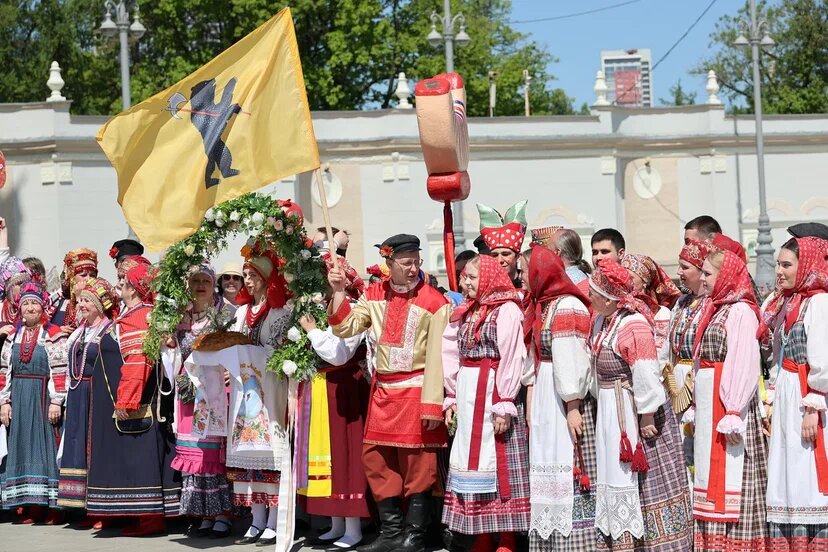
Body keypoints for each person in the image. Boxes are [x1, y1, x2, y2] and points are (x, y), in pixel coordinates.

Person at [327, 234, 451, 552]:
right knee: (376, 461)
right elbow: (345, 327)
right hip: (383, 393)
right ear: (389, 262)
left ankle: (415, 535)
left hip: (417, 391)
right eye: (406, 263)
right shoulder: (373, 295)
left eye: (417, 262)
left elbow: (438, 357)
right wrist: (338, 291)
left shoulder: (434, 301)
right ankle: (392, 532)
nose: (413, 268)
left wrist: (433, 404)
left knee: (418, 466)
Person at [588, 259, 691, 551]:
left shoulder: (632, 324)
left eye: (594, 292)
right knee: (614, 476)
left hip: (633, 412)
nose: (589, 296)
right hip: (611, 408)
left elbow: (646, 372)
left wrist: (646, 415)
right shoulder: (603, 320)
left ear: (609, 299)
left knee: (641, 479)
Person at [440, 255, 529, 552]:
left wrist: (504, 400)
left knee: (499, 461)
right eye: (464, 277)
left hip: (493, 391)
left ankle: (507, 537)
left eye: (472, 277)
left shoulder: (507, 310)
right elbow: (450, 352)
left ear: (489, 278)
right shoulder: (466, 310)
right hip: (468, 393)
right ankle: (480, 535)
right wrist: (452, 394)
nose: (465, 283)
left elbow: (512, 355)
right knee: (471, 463)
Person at [84, 271, 180, 535]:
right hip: (133, 397)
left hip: (138, 399)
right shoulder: (133, 314)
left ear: (134, 289)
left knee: (141, 455)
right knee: (135, 454)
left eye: (123, 282)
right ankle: (138, 515)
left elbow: (139, 362)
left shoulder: (139, 317)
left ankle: (149, 518)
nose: (119, 285)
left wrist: (126, 400)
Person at [691, 249, 768, 550]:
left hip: (729, 407)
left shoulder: (740, 312)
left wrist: (733, 409)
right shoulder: (716, 308)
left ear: (724, 276)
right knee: (708, 476)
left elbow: (743, 361)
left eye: (708, 273)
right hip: (711, 405)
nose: (703, 279)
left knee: (733, 475)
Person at [523, 247, 596, 552]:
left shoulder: (567, 306)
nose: (521, 277)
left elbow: (571, 360)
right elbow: (532, 357)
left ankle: (575, 543)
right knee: (546, 459)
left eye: (525, 271)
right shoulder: (542, 305)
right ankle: (548, 540)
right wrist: (531, 398)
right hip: (545, 393)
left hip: (563, 399)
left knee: (566, 457)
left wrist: (573, 405)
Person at [760, 237, 828, 550]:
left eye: (786, 265)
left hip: (808, 397)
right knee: (787, 469)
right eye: (778, 264)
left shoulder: (819, 303)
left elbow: (822, 360)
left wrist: (814, 406)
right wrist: (773, 396)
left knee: (806, 471)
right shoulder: (788, 303)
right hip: (789, 395)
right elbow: (777, 354)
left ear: (806, 266)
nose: (779, 271)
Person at [298, 254, 369, 550]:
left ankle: (354, 527)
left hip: (345, 388)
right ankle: (336, 521)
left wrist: (312, 331)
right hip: (323, 386)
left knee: (345, 454)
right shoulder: (321, 306)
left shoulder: (352, 309)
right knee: (327, 455)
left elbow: (339, 354)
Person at [229, 246, 292, 546]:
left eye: (253, 275)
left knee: (270, 452)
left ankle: (274, 521)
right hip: (246, 391)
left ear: (267, 279)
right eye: (245, 275)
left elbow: (280, 352)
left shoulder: (280, 313)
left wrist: (253, 355)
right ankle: (256, 520)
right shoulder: (241, 313)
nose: (248, 281)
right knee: (248, 454)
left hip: (270, 389)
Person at [168, 265, 236, 538]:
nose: (200, 285)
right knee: (194, 452)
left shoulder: (225, 313)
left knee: (212, 453)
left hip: (215, 389)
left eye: (205, 280)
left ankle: (222, 514)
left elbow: (238, 347)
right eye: (195, 280)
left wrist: (231, 368)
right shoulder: (180, 316)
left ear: (213, 284)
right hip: (188, 390)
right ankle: (204, 512)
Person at [0, 281, 67, 523]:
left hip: (42, 397)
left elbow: (60, 369)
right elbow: (4, 369)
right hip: (18, 397)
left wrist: (56, 401)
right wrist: (4, 402)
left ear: (43, 308)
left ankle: (52, 507)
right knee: (21, 446)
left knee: (45, 445)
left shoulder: (53, 334)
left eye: (34, 304)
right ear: (19, 308)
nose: (30, 308)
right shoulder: (12, 336)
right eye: (26, 303)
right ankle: (29, 504)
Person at [57, 277, 119, 517]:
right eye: (80, 300)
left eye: (87, 301)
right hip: (76, 394)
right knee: (76, 443)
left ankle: (97, 505)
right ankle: (76, 504)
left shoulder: (109, 330)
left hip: (96, 394)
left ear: (100, 305)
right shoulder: (78, 332)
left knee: (94, 445)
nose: (81, 305)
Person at [666, 240, 715, 469]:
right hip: (677, 380)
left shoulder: (712, 304)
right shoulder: (682, 302)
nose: (679, 272)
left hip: (698, 378)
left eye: (685, 267)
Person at [621, 254, 681, 370]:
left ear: (645, 281)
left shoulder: (661, 314)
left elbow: (661, 355)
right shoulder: (619, 309)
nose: (625, 282)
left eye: (631, 278)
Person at [477, 201, 528, 288]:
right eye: (494, 255)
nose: (499, 260)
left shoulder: (527, 286)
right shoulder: (485, 287)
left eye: (505, 254)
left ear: (518, 257)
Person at [53, 249, 98, 331]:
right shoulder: (57, 299)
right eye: (83, 275)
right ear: (72, 278)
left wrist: (79, 297)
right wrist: (58, 330)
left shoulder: (99, 303)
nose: (88, 279)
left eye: (92, 275)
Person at [0, 257, 31, 326]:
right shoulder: (1, 309)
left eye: (27, 282)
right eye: (20, 283)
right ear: (9, 290)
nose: (24, 286)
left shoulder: (35, 304)